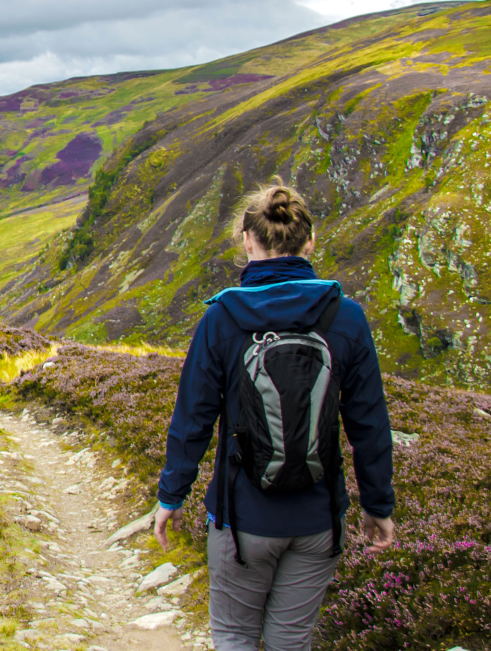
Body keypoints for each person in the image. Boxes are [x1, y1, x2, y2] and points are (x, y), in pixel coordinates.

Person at [151, 180, 396, 650]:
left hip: (241, 519)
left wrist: (171, 496)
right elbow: (368, 422)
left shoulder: (222, 319)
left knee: (235, 636)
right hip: (318, 516)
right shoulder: (346, 318)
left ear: (247, 240)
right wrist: (378, 506)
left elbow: (193, 419)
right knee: (290, 639)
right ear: (310, 242)